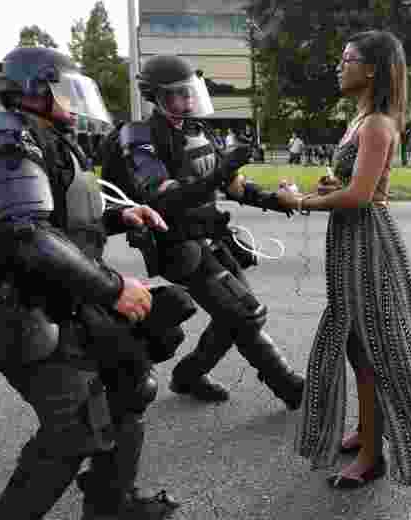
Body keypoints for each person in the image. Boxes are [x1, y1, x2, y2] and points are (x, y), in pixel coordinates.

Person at [0, 47, 180, 520]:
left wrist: (119, 216)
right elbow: (27, 235)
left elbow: (62, 219)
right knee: (73, 427)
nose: (75, 100)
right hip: (19, 308)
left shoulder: (45, 138)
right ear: (36, 89)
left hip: (65, 295)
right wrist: (112, 289)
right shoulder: (7, 142)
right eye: (65, 88)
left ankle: (109, 497)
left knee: (131, 384)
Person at [274, 30, 411, 490]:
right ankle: (367, 431)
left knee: (372, 351)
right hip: (351, 242)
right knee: (355, 343)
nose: (339, 66)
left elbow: (362, 196)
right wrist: (326, 187)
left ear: (371, 70)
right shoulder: (361, 120)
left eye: (347, 59)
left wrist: (299, 201)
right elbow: (352, 186)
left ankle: (373, 455)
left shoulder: (379, 123)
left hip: (368, 244)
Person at [119, 53, 305, 408]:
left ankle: (189, 375)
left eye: (190, 92)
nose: (186, 101)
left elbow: (233, 185)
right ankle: (290, 387)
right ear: (155, 96)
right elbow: (163, 198)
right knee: (245, 313)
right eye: (177, 94)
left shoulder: (197, 130)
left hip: (211, 236)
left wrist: (273, 201)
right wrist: (219, 175)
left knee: (235, 314)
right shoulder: (139, 136)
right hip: (177, 244)